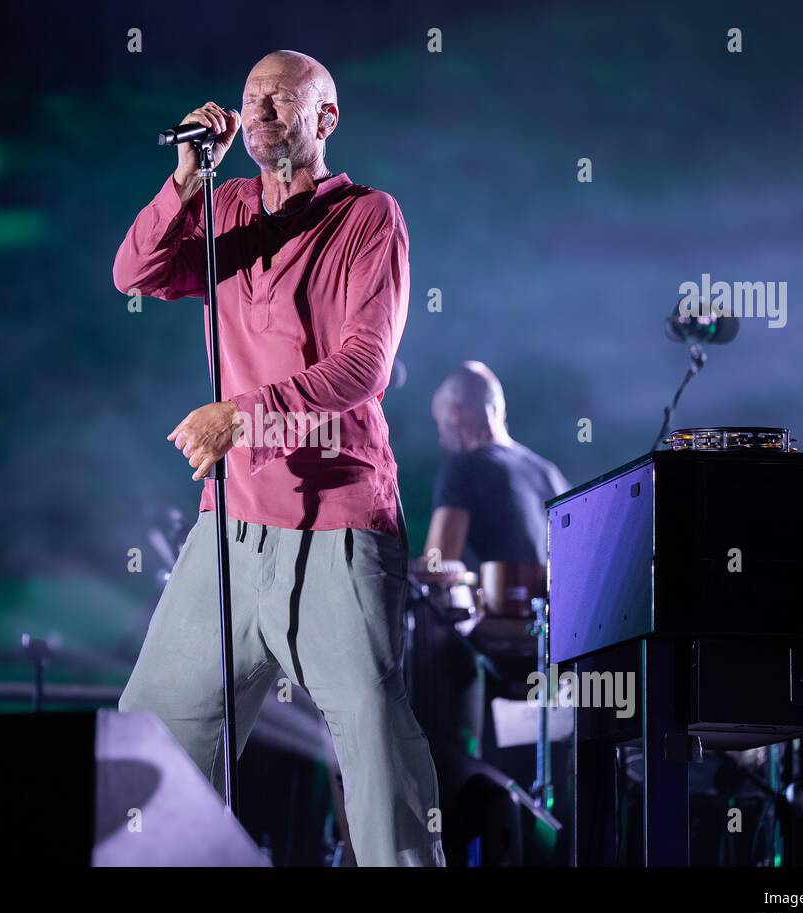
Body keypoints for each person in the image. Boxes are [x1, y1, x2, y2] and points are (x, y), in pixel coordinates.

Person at [113, 50, 443, 866]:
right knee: (152, 732)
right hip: (230, 528)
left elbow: (365, 366)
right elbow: (137, 270)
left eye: (281, 101)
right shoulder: (226, 209)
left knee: (371, 745)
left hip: (336, 520)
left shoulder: (369, 217)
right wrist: (188, 177)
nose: (259, 113)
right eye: (250, 98)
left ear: (325, 119)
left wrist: (242, 417)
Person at [419, 361, 570, 577]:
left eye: (439, 421)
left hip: (500, 610)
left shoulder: (463, 468)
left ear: (454, 413)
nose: (441, 436)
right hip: (557, 610)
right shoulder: (549, 472)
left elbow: (438, 565)